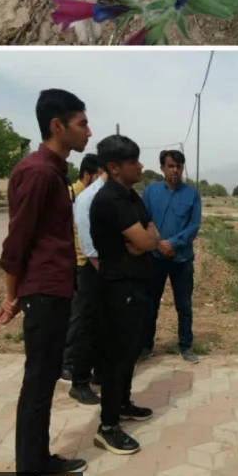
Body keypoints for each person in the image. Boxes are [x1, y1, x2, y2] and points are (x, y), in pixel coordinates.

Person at [0, 89, 92, 476]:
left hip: (53, 290)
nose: (88, 131)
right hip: (45, 292)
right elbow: (16, 242)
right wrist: (12, 295)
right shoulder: (37, 173)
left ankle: (37, 461)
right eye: (82, 123)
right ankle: (30, 474)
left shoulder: (53, 171)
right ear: (58, 126)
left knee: (46, 375)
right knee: (39, 378)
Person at [90, 135, 158, 456]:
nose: (141, 165)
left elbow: (151, 233)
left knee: (131, 351)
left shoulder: (132, 196)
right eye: (134, 161)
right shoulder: (109, 201)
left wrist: (144, 237)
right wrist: (143, 239)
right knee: (117, 358)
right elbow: (145, 242)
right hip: (118, 289)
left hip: (137, 284)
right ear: (115, 168)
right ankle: (108, 426)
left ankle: (123, 403)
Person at [141, 150, 202, 364]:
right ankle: (145, 345)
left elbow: (194, 226)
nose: (174, 170)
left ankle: (186, 345)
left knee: (183, 305)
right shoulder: (150, 192)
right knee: (150, 304)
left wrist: (173, 243)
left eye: (178, 166)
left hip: (182, 259)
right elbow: (144, 221)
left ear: (182, 168)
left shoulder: (192, 195)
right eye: (170, 166)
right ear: (162, 168)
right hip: (155, 258)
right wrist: (158, 244)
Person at [64, 164, 109, 406]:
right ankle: (79, 382)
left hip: (103, 270)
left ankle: (99, 372)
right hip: (91, 269)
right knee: (87, 326)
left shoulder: (109, 195)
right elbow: (90, 247)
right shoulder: (87, 198)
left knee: (102, 325)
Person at [60, 154, 100, 385]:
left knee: (86, 316)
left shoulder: (87, 195)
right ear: (87, 175)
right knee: (78, 316)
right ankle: (66, 363)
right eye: (96, 176)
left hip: (85, 262)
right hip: (79, 263)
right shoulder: (73, 194)